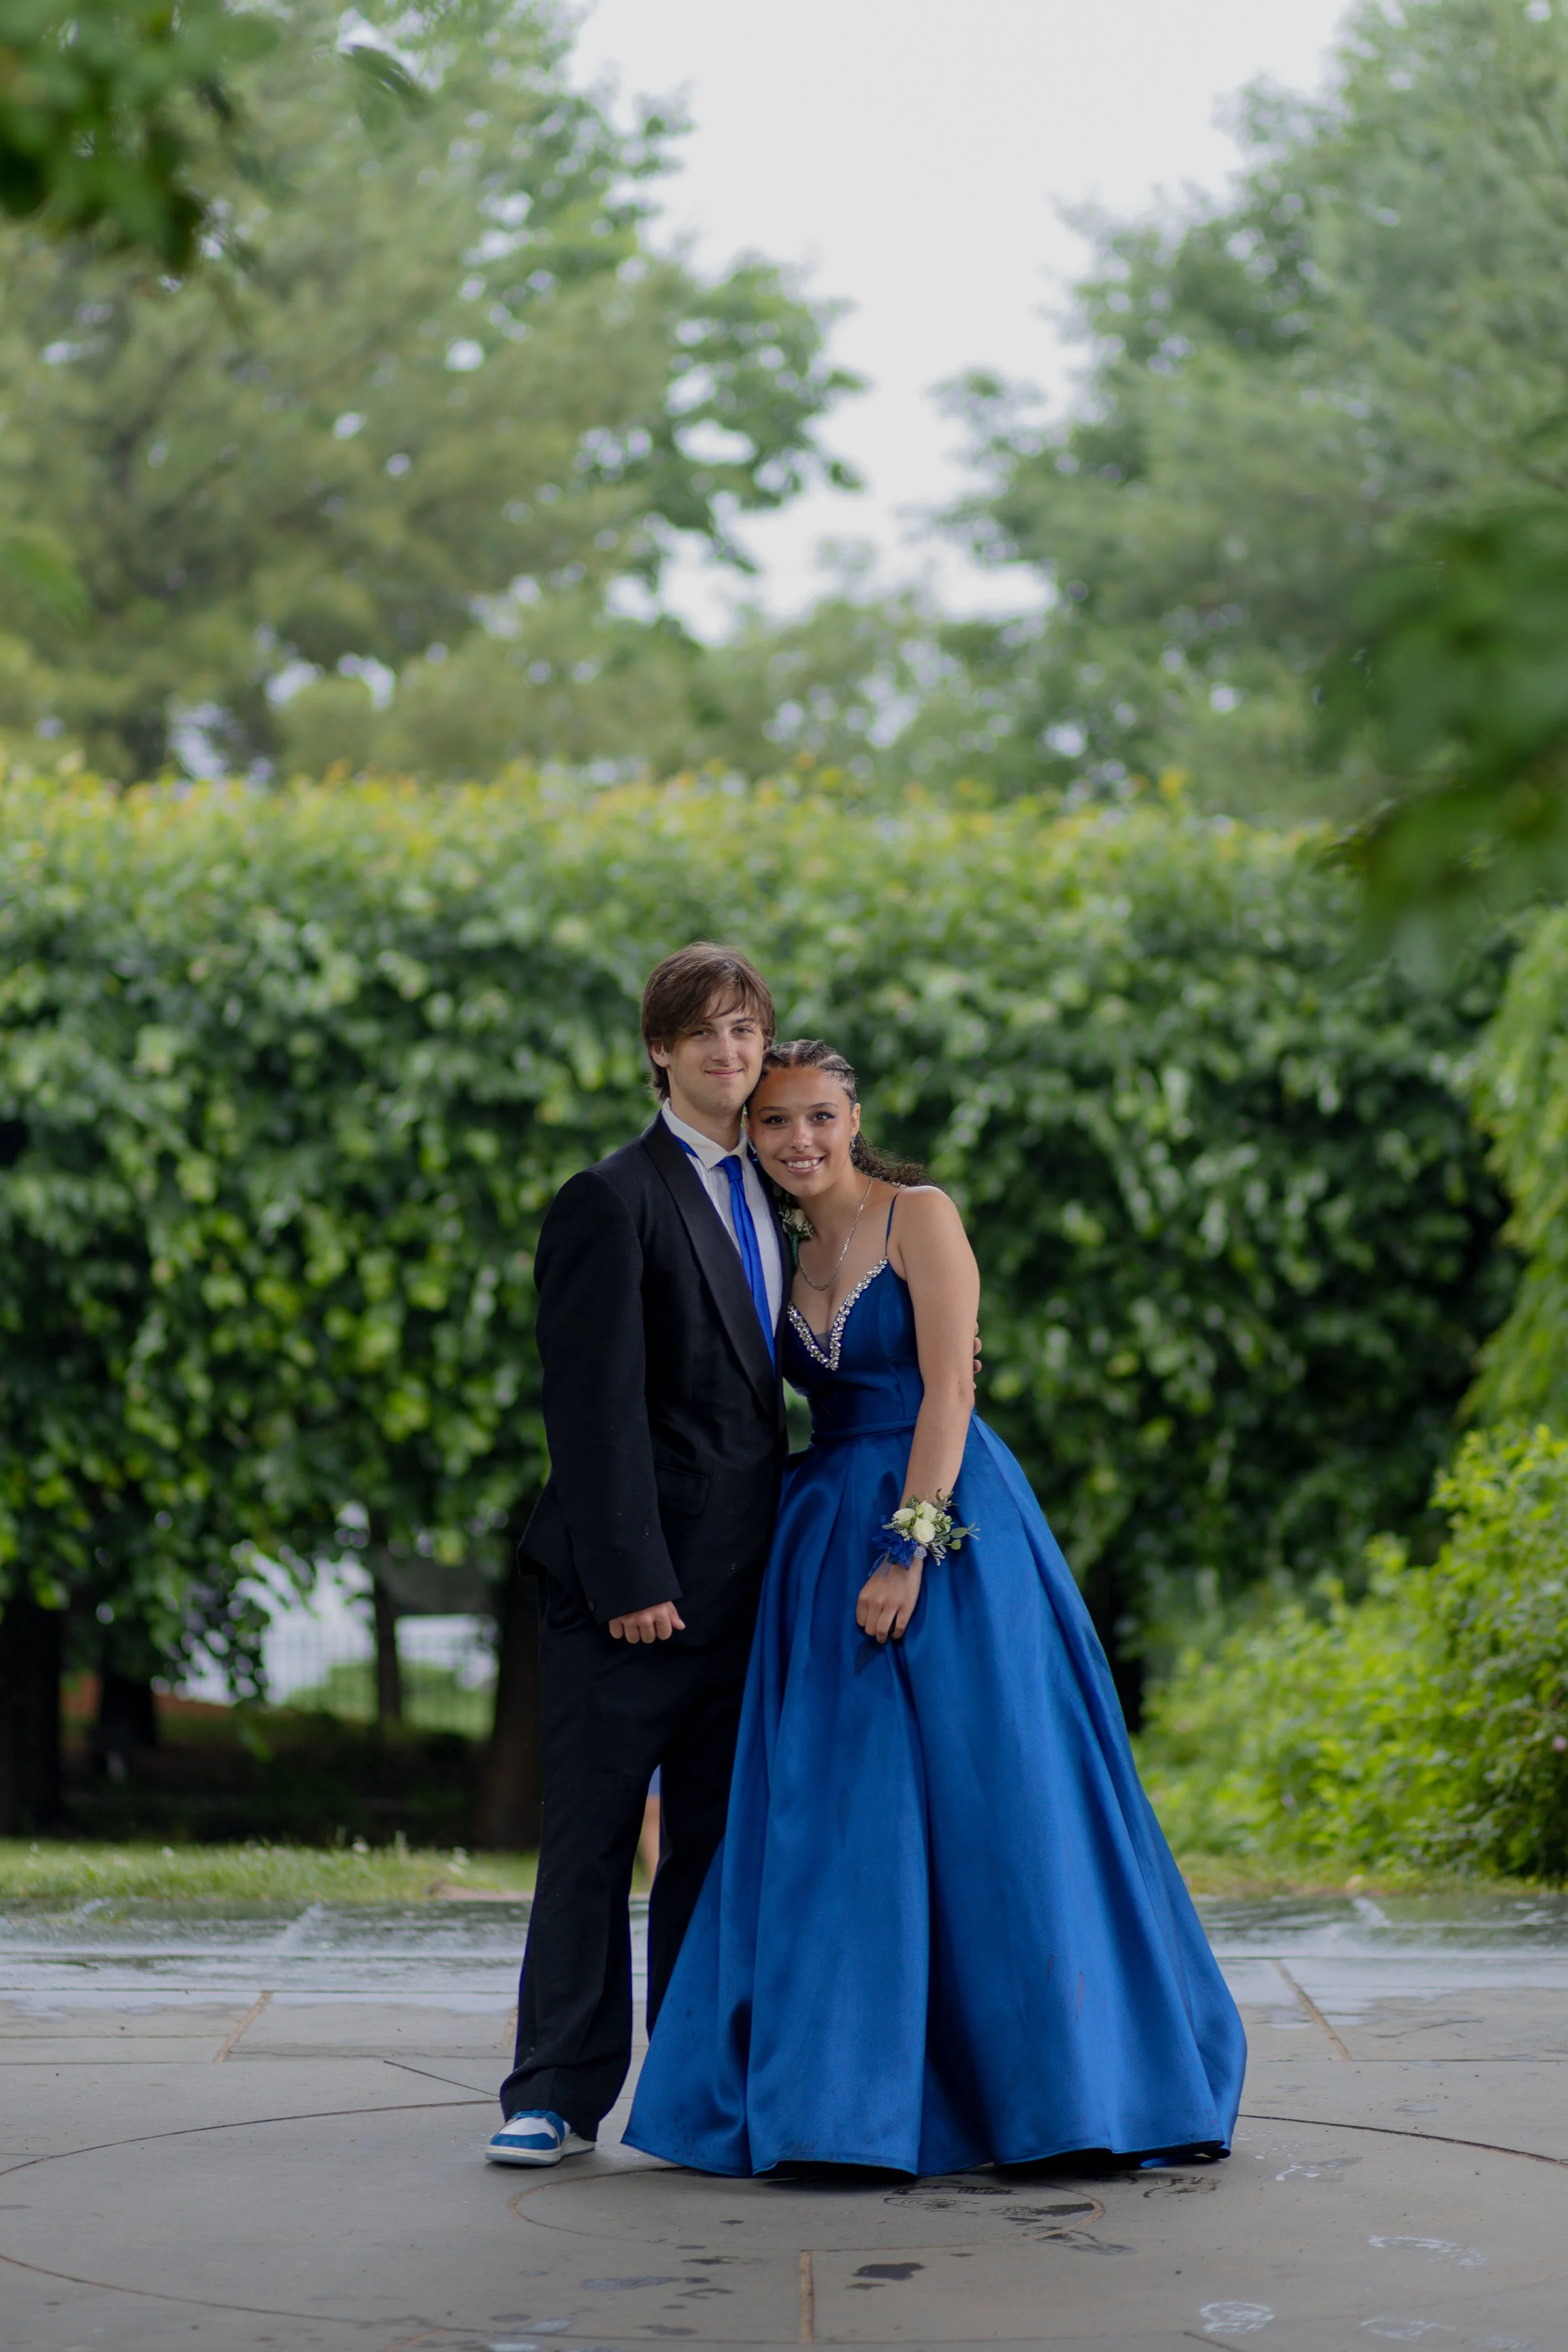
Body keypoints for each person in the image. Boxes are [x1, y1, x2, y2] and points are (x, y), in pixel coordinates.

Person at [625, 1038, 1247, 2178]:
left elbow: (953, 1384)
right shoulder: (771, 1237)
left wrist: (909, 1550)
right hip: (817, 1541)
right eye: (773, 1123)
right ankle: (840, 2105)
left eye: (819, 1116)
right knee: (839, 1814)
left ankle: (1063, 2094)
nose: (799, 1141)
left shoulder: (922, 1214)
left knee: (998, 1796)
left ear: (855, 1116)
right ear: (748, 1136)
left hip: (951, 1526)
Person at [485, 943, 789, 2168]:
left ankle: (696, 2083)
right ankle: (552, 2090)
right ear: (658, 1050)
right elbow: (592, 1408)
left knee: (711, 1852)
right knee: (593, 1840)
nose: (728, 1051)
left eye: (746, 1029)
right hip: (630, 1592)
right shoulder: (608, 1196)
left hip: (752, 1587)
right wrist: (632, 1581)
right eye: (702, 1032)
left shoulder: (794, 1186)